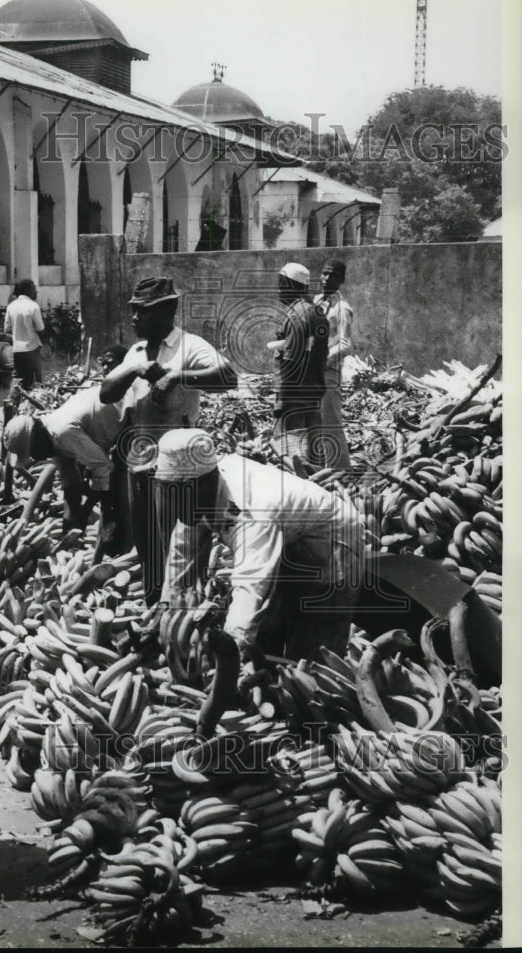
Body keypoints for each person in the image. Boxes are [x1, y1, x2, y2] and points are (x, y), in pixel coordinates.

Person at [156, 428, 364, 725]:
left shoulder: (253, 509)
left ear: (201, 482)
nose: (174, 504)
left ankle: (318, 722)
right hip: (292, 536)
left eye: (177, 494)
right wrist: (167, 607)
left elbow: (251, 585)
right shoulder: (194, 488)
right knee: (269, 630)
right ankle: (266, 695)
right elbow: (182, 550)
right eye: (167, 493)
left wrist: (229, 652)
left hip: (333, 541)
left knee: (313, 644)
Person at [99, 277, 237, 605]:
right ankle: (153, 607)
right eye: (133, 311)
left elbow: (229, 377)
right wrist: (134, 370)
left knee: (179, 545)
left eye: (142, 312)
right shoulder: (134, 352)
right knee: (146, 543)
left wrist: (177, 376)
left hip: (178, 467)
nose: (134, 319)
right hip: (139, 462)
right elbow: (106, 393)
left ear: (167, 311)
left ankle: (180, 609)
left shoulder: (190, 346)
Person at [3, 344, 128, 548]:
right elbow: (70, 483)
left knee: (116, 495)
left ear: (37, 439)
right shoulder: (52, 440)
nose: (36, 458)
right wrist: (68, 526)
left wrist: (85, 513)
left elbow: (102, 467)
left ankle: (119, 543)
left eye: (33, 453)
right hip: (111, 429)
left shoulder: (62, 432)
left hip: (130, 417)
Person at [273, 262, 328, 470]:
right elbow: (320, 355)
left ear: (291, 284)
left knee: (294, 457)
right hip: (312, 396)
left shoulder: (296, 315)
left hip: (294, 400)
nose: (278, 289)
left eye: (281, 284)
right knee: (314, 453)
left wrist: (281, 399)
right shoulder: (317, 313)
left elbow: (291, 361)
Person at [314, 259, 354, 468]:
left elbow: (345, 345)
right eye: (325, 273)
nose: (327, 278)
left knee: (331, 424)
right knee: (314, 424)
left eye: (333, 275)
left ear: (341, 280)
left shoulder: (342, 308)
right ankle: (320, 471)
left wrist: (322, 362)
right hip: (311, 374)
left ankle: (342, 473)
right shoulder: (317, 302)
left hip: (328, 373)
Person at [5, 278, 45, 398]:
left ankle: (11, 404)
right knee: (35, 381)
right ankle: (32, 406)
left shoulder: (11, 306)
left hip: (17, 350)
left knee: (18, 379)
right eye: (34, 289)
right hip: (32, 348)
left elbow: (7, 329)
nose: (36, 292)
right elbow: (40, 328)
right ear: (27, 290)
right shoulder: (33, 306)